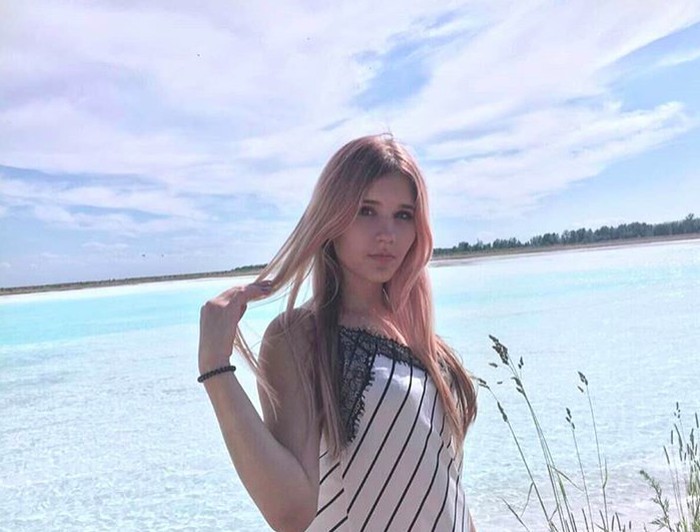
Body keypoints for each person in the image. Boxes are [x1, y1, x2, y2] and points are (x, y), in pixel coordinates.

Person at [197, 134, 478, 531]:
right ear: (333, 217)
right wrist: (216, 369)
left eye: (403, 215)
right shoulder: (301, 337)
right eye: (367, 210)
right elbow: (290, 513)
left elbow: (447, 489)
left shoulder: (422, 342)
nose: (387, 234)